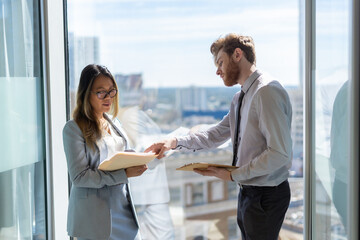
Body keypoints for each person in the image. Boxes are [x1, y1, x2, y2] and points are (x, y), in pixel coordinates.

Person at [146, 33, 293, 240]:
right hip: (248, 191)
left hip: (266, 195)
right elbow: (215, 134)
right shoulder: (240, 97)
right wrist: (175, 142)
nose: (217, 71)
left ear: (238, 55)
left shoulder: (266, 91)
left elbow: (279, 153)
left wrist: (235, 174)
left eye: (220, 62)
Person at [62, 64, 147, 240]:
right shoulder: (73, 129)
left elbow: (120, 155)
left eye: (112, 91)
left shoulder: (114, 123)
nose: (108, 97)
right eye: (101, 92)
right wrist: (123, 174)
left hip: (123, 211)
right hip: (94, 219)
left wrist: (144, 156)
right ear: (86, 94)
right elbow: (79, 177)